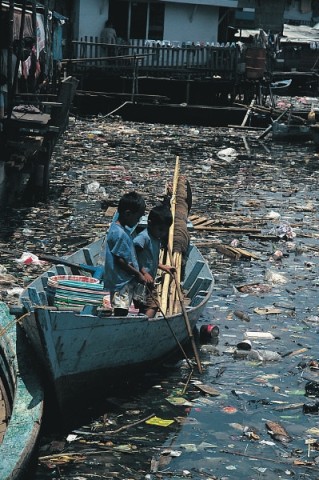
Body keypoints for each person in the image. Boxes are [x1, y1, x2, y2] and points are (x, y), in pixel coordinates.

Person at [104, 191, 149, 317]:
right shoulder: (120, 234)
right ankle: (118, 328)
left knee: (125, 304)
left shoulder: (116, 228)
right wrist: (137, 274)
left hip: (122, 279)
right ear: (128, 214)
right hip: (121, 281)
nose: (138, 220)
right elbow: (120, 261)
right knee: (121, 308)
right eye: (137, 217)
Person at [133, 203, 175, 318]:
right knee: (153, 305)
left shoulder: (156, 238)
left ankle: (142, 320)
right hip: (140, 279)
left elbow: (150, 260)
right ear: (150, 223)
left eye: (165, 231)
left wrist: (163, 267)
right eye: (160, 229)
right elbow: (133, 256)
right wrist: (144, 273)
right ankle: (145, 324)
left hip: (148, 280)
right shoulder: (143, 237)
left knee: (145, 304)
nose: (163, 233)